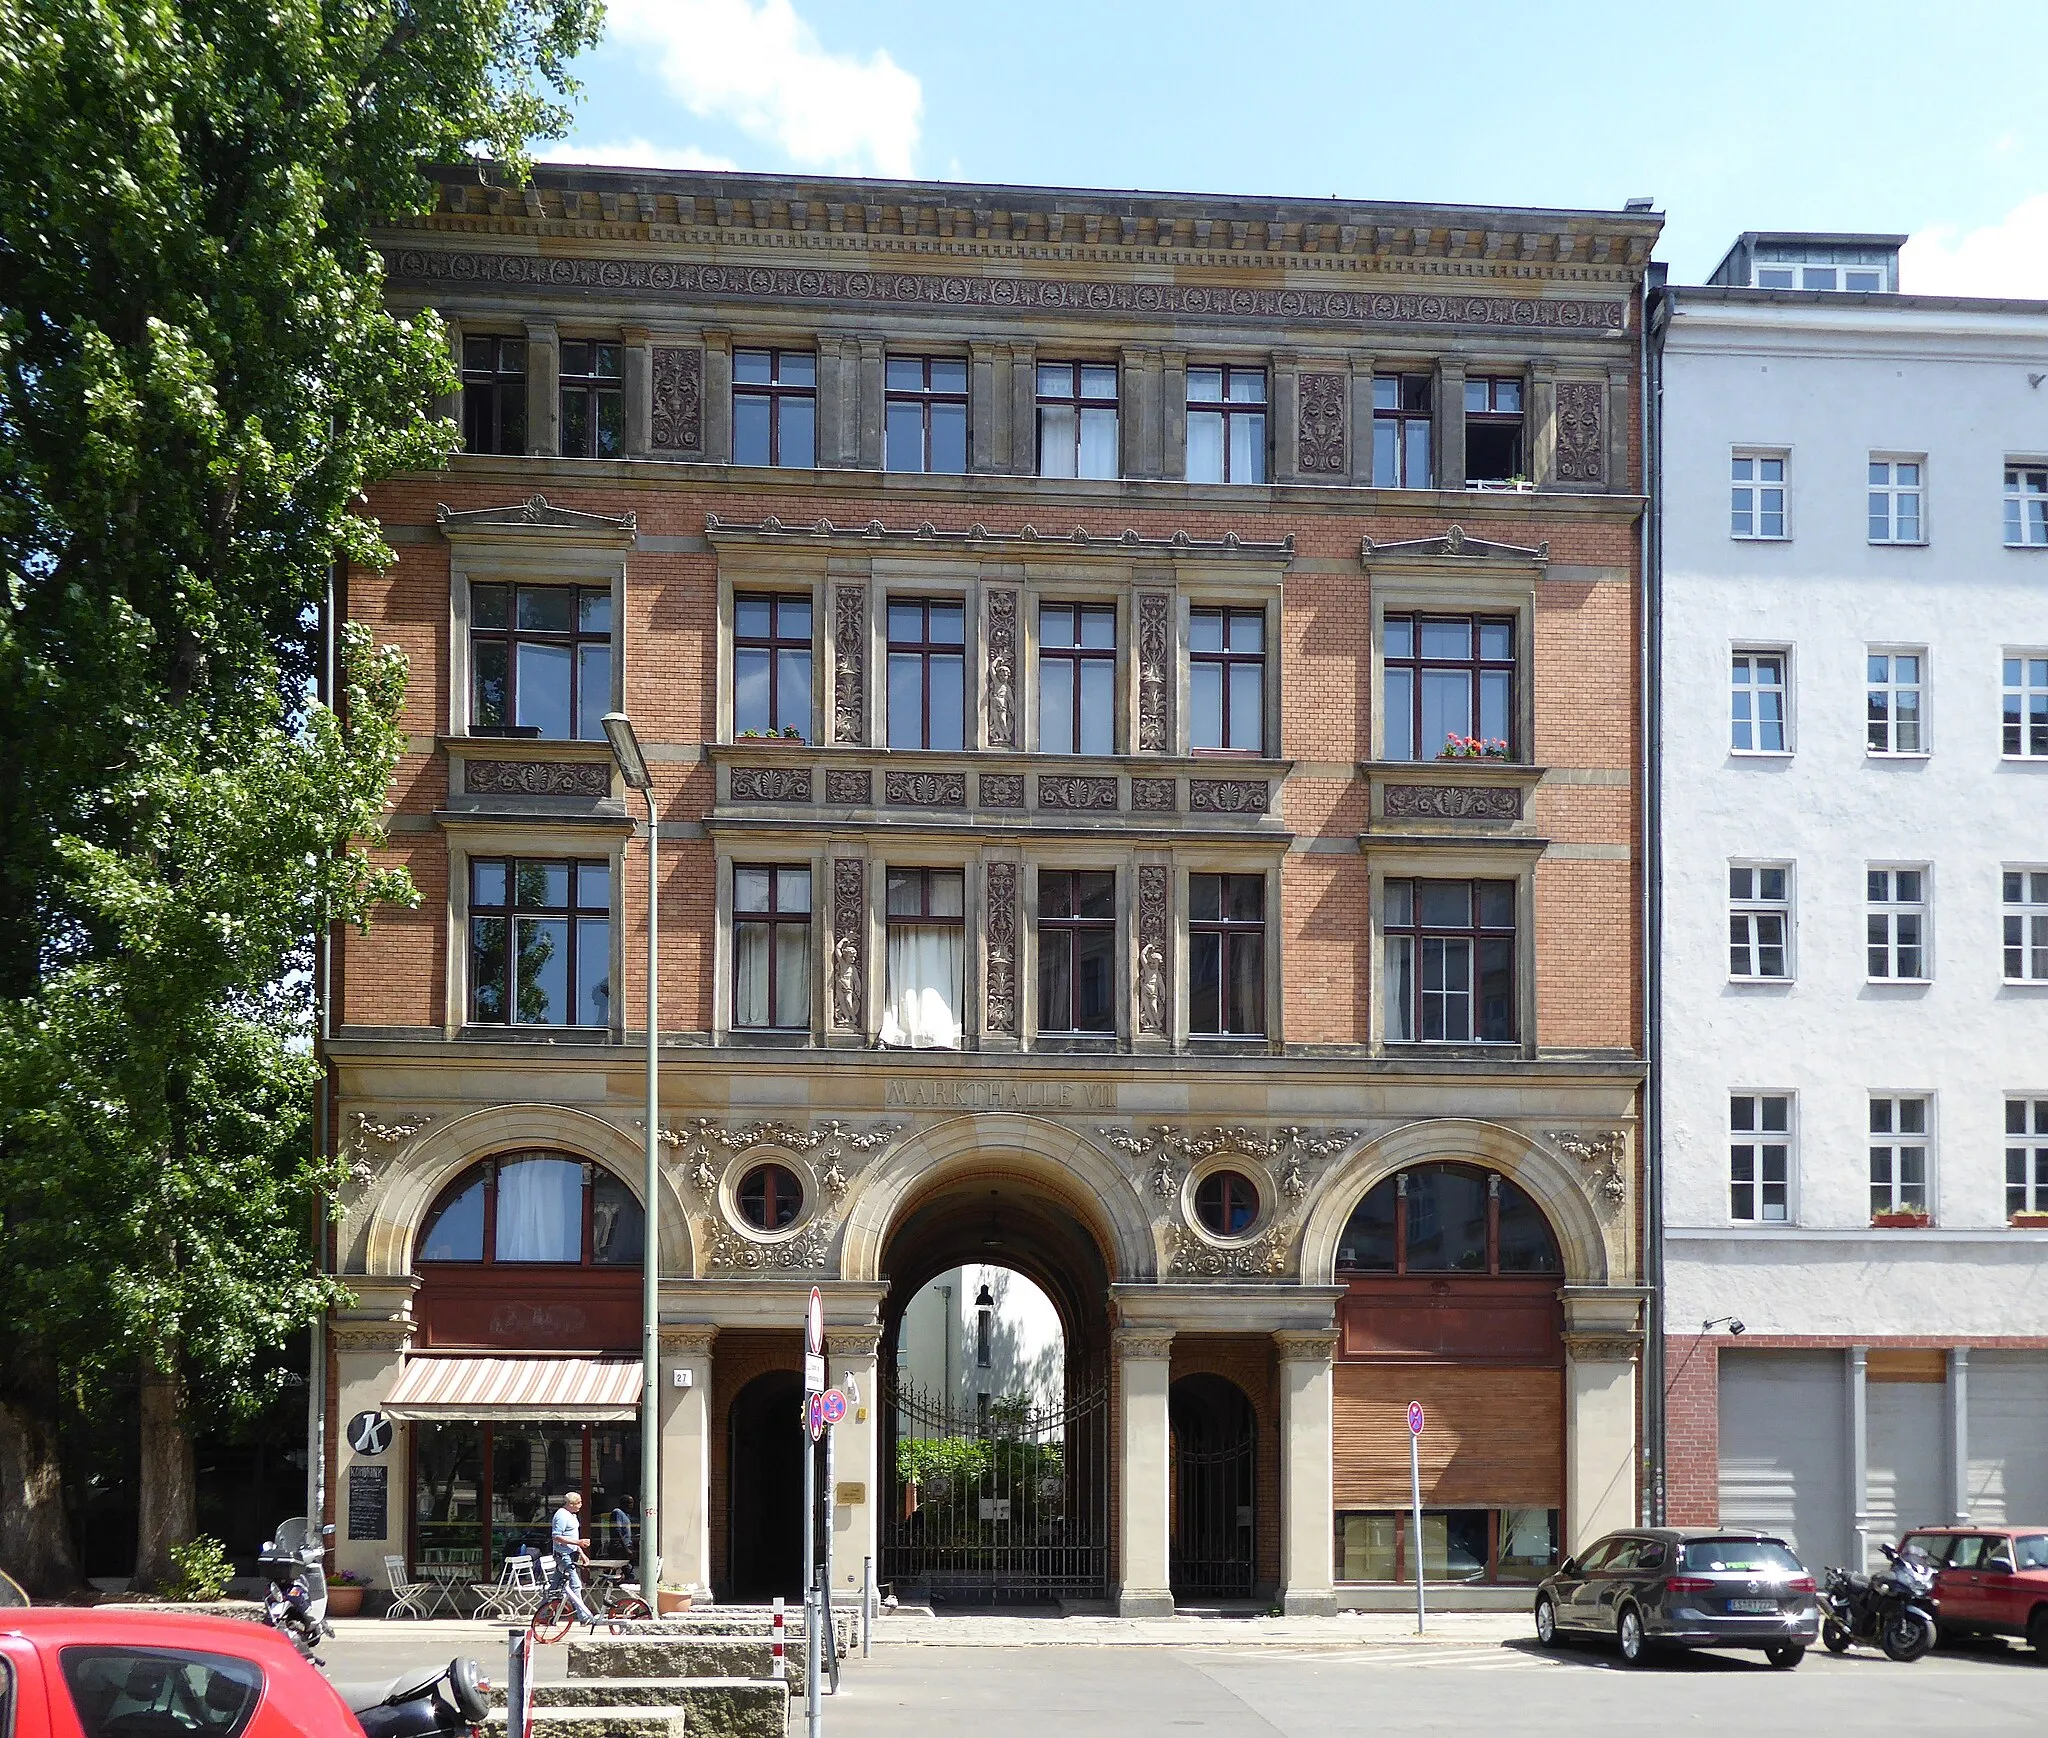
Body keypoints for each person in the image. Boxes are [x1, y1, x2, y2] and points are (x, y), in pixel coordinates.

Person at [547, 1490, 599, 1626]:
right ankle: (583, 1617)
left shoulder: (572, 1515)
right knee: (575, 1585)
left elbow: (572, 1537)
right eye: (578, 1503)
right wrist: (578, 1543)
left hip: (570, 1554)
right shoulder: (561, 1516)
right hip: (563, 1556)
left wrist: (581, 1552)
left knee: (554, 1587)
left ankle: (543, 1613)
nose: (581, 1505)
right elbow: (556, 1537)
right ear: (570, 1504)